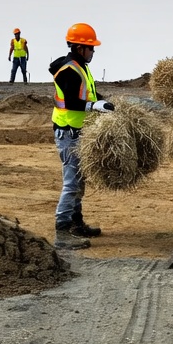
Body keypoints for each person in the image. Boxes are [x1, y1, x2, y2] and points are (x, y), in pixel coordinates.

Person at [49, 22, 114, 250]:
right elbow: (72, 102)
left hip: (78, 132)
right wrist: (94, 106)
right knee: (72, 183)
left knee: (79, 180)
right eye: (91, 48)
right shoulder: (69, 70)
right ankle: (62, 231)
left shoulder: (80, 66)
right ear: (79, 48)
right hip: (68, 133)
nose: (93, 52)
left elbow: (87, 93)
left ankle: (76, 223)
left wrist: (102, 102)